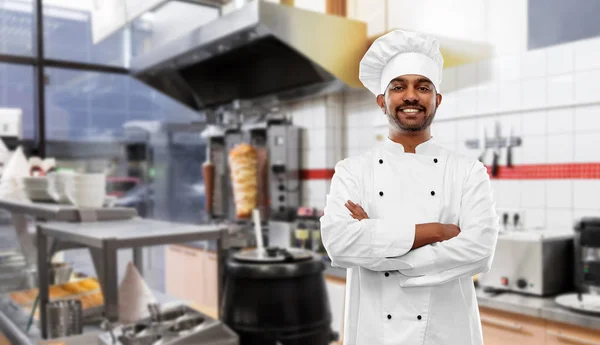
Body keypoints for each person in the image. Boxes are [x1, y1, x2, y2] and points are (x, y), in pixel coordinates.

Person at [320, 30, 499, 345]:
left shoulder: (468, 172)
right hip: (376, 335)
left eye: (423, 87)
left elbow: (479, 250)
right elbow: (338, 244)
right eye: (398, 87)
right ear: (382, 101)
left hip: (446, 336)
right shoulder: (353, 171)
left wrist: (377, 240)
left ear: (437, 100)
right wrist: (438, 231)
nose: (411, 96)